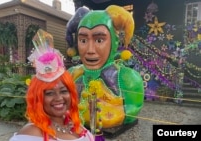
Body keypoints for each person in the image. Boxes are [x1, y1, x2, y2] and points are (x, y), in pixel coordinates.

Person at [66, 5, 145, 139]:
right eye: (83, 40)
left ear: (114, 41)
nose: (90, 49)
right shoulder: (71, 75)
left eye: (99, 40)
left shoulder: (128, 78)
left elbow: (132, 111)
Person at [9, 29, 94, 141]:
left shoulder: (74, 124)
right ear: (38, 97)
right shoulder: (30, 135)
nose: (59, 98)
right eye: (49, 93)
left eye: (64, 91)